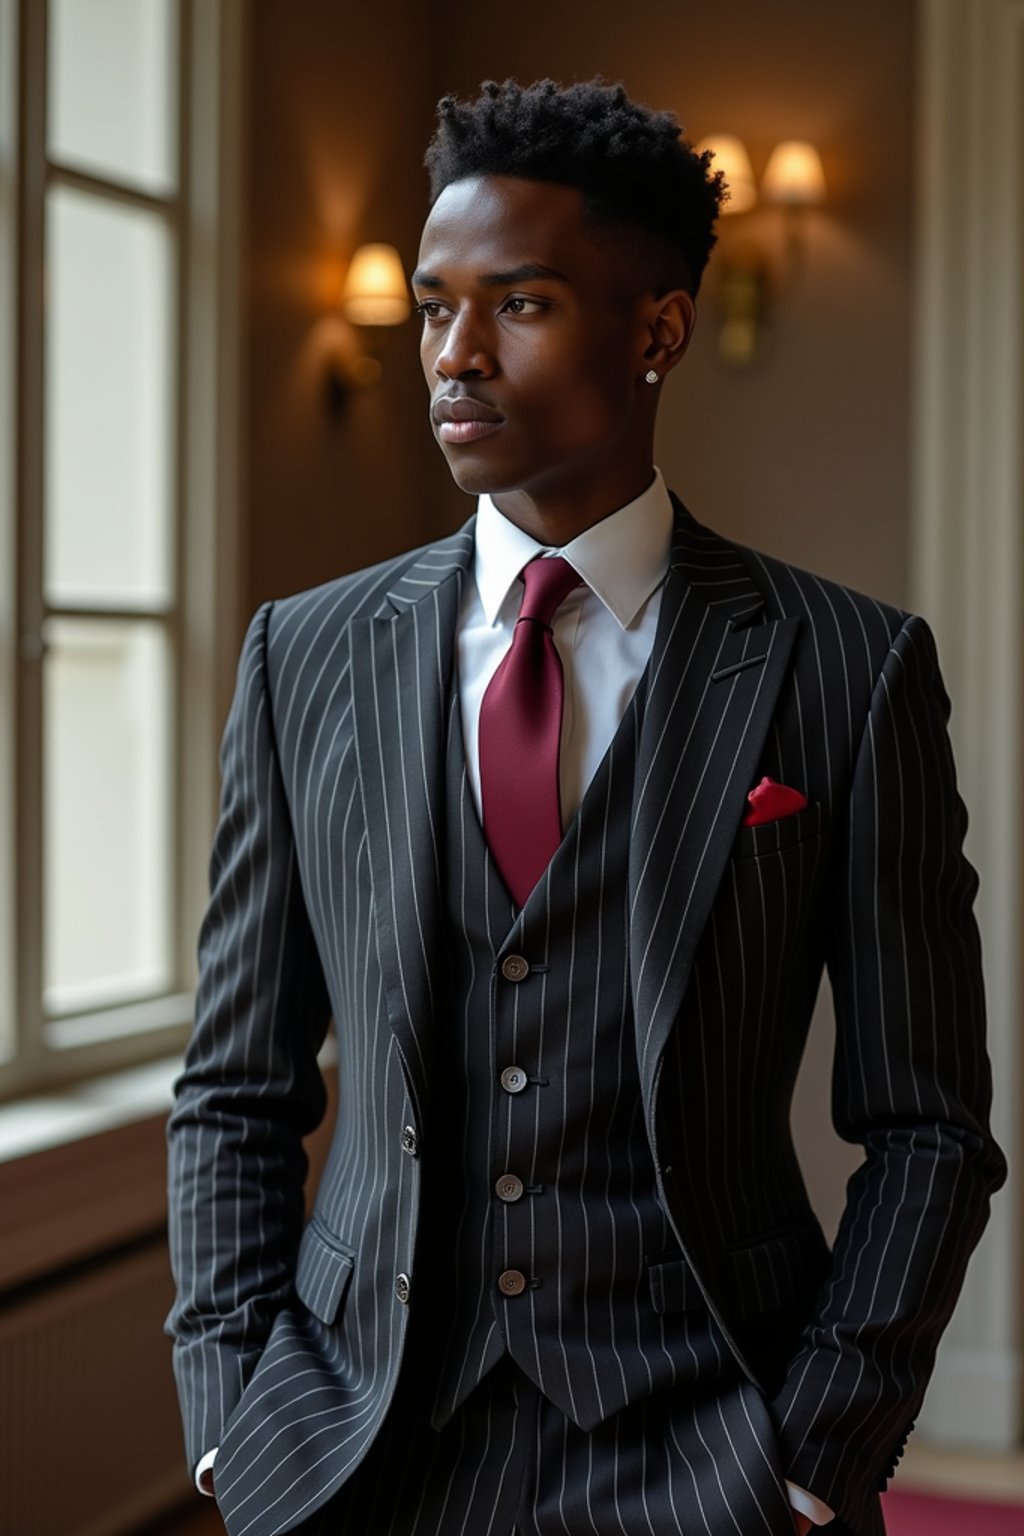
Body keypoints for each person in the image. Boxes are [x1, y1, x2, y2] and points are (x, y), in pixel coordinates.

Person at [165, 78, 1005, 1536]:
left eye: (522, 303)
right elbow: (237, 1086)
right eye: (434, 309)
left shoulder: (849, 671)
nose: (456, 354)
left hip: (714, 1446)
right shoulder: (303, 656)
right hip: (356, 1444)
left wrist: (815, 1449)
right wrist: (235, 1412)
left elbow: (928, 1125)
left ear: (660, 330)